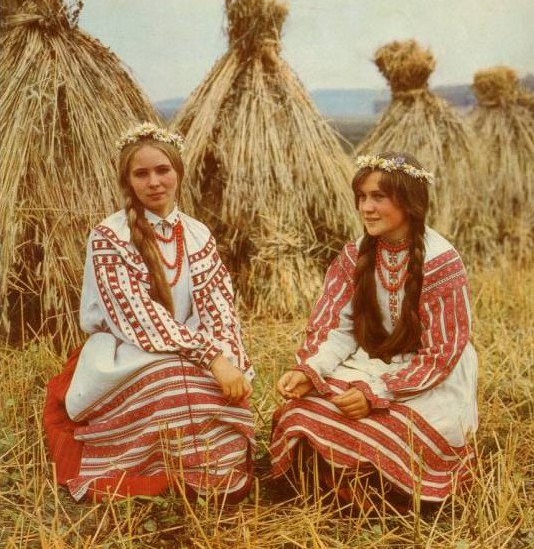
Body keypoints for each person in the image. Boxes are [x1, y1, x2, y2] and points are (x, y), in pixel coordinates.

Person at [43, 122, 255, 502]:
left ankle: (210, 471)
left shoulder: (198, 234)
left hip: (189, 348)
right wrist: (211, 358)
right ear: (128, 181)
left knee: (212, 388)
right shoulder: (110, 236)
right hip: (127, 350)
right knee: (176, 384)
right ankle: (155, 467)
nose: (154, 182)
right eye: (141, 174)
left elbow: (219, 308)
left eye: (162, 170)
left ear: (178, 172)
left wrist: (229, 359)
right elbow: (137, 317)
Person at [270, 151, 478, 510]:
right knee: (299, 412)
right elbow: (336, 328)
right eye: (362, 197)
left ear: (409, 201)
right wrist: (310, 369)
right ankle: (339, 484)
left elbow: (441, 355)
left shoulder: (441, 261)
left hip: (428, 378)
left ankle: (372, 490)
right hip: (371, 361)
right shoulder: (355, 254)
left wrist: (376, 394)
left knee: (383, 431)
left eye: (378, 197)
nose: (366, 208)